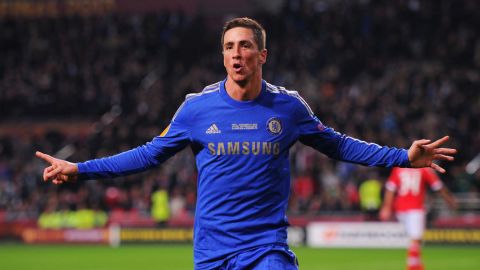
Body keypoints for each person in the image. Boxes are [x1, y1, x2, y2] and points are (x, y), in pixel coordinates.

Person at [36, 17, 457, 270]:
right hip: (212, 251)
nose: (236, 54)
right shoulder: (196, 109)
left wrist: (403, 157)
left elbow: (340, 145)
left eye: (245, 46)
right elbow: (148, 155)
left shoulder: (288, 108)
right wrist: (80, 168)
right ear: (223, 57)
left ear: (262, 55)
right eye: (229, 47)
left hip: (265, 248)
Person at [379, 167, 458, 270]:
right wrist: (450, 200)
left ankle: (417, 266)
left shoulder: (399, 168)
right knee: (416, 240)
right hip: (415, 208)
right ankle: (413, 267)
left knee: (413, 240)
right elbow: (438, 186)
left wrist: (386, 207)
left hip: (400, 209)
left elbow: (390, 189)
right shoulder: (424, 169)